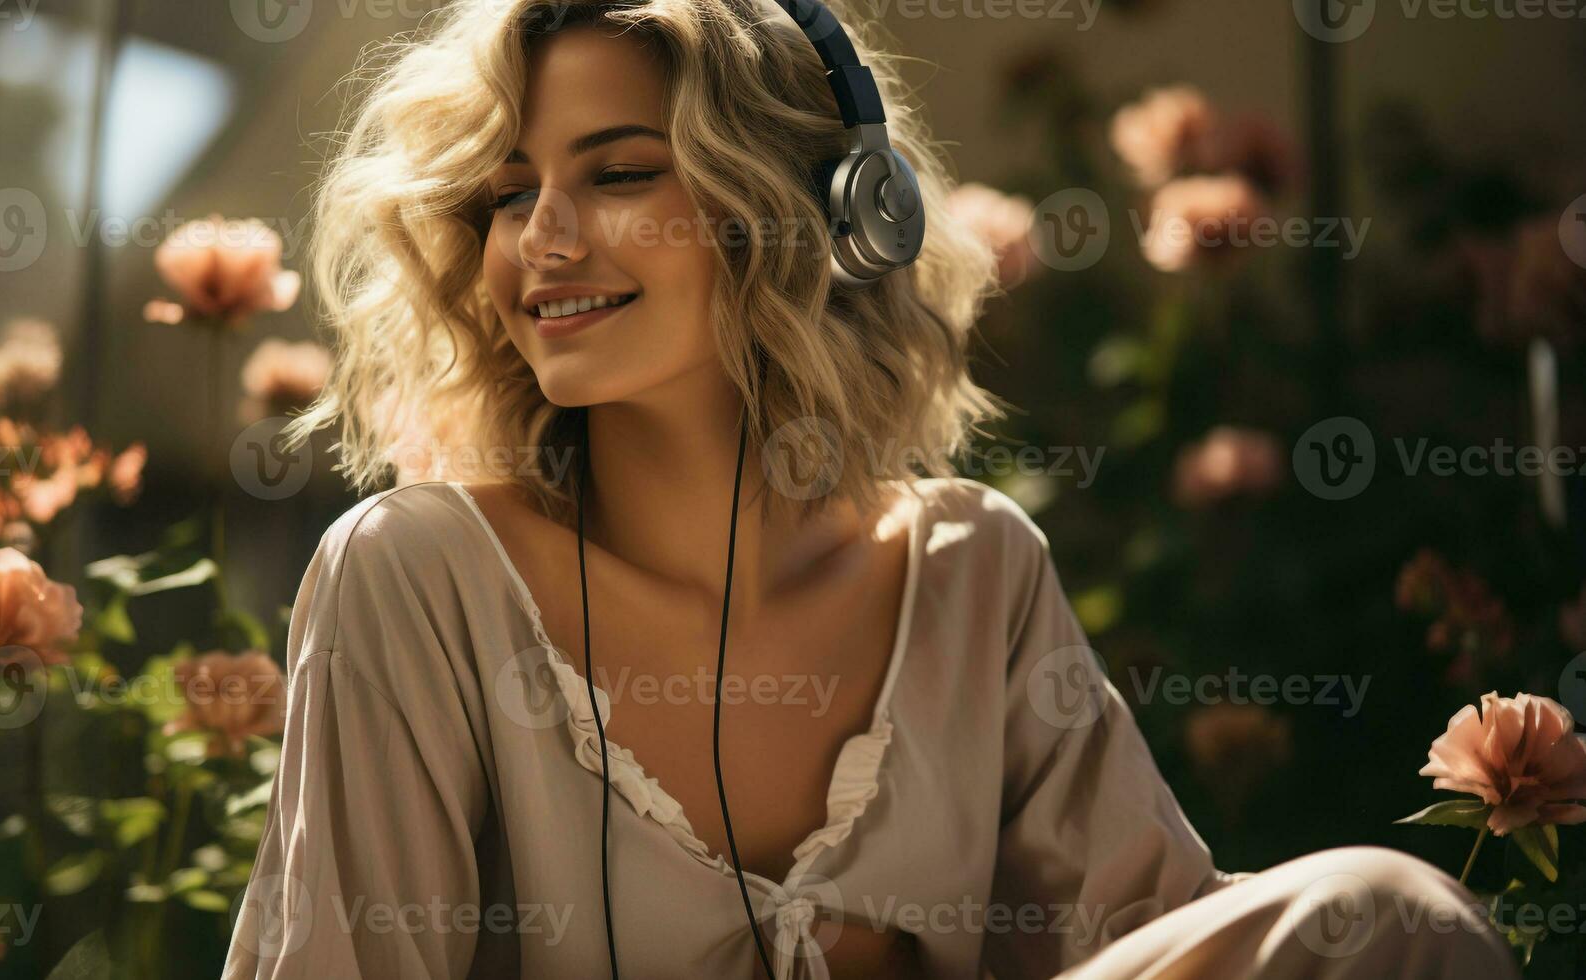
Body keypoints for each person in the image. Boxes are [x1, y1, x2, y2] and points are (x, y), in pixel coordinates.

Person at [222, 1, 1522, 977]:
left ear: (817, 209)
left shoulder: (973, 567)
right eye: (507, 195)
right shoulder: (414, 573)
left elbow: (1160, 937)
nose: (543, 239)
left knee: (1385, 914)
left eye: (617, 172)